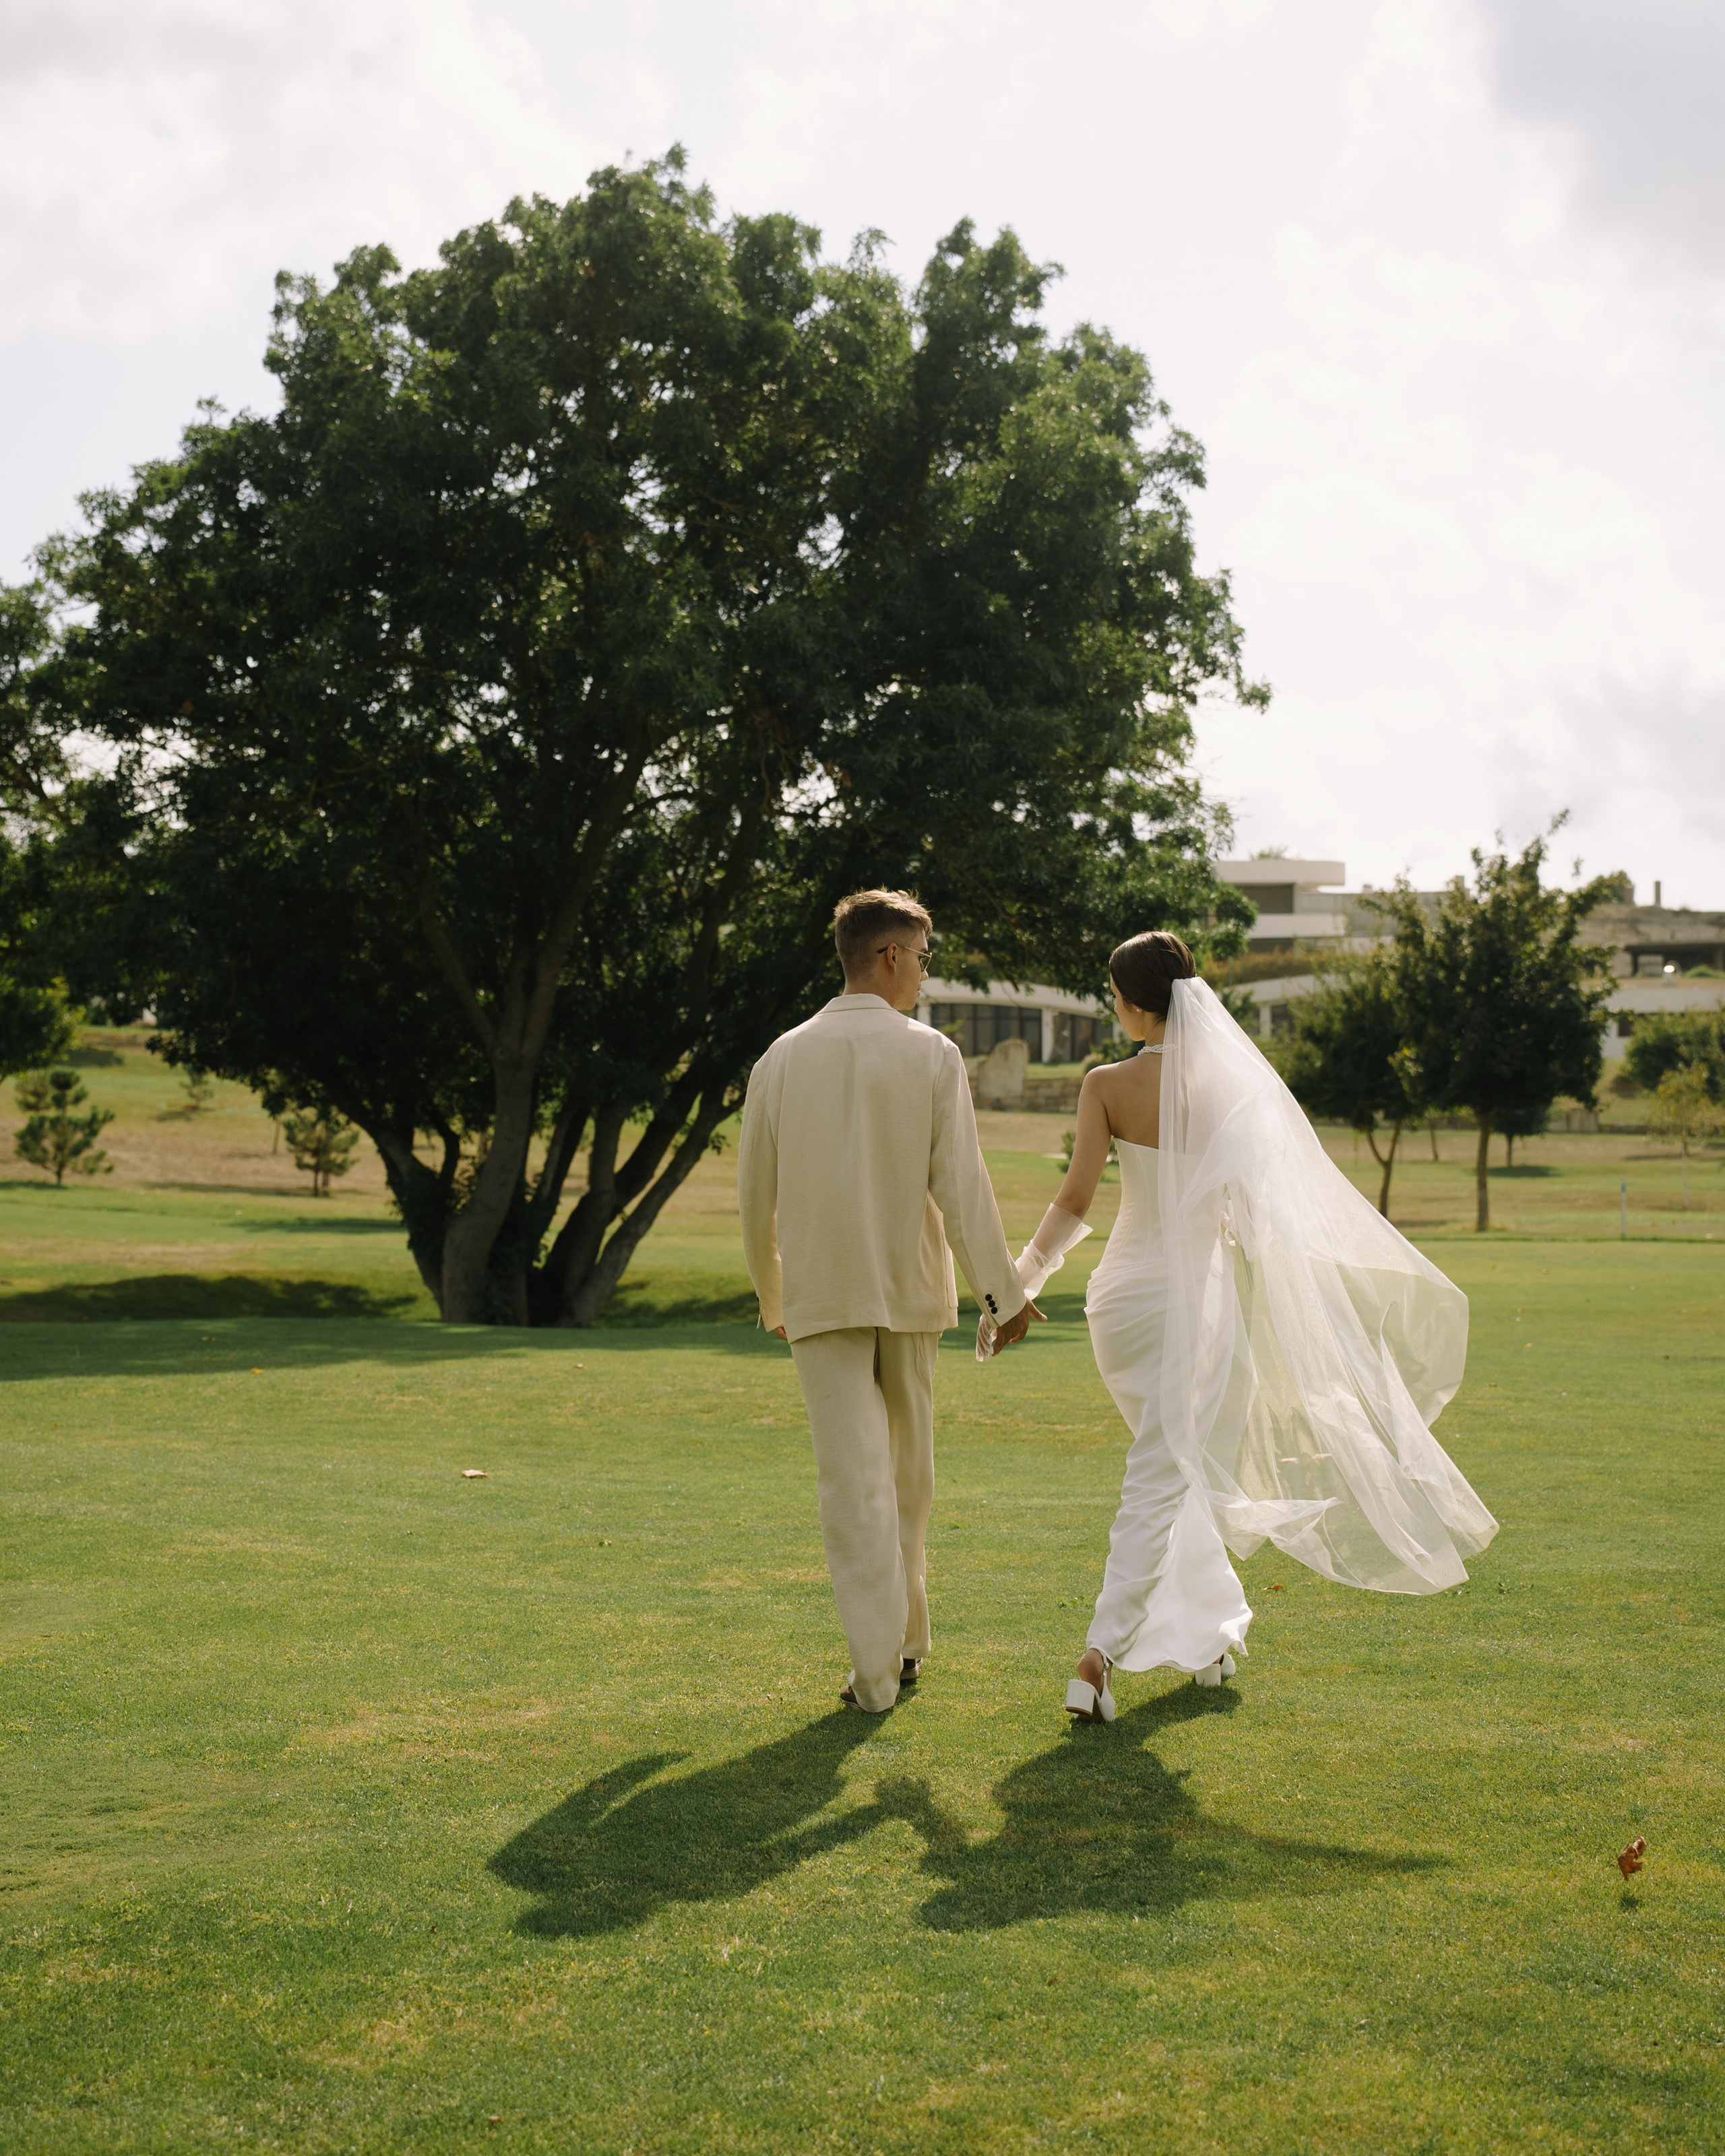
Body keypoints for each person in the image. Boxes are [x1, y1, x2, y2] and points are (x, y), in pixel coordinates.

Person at [1008, 930, 1498, 1725]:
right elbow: (1251, 1207)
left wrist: (1020, 1279)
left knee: (1178, 1466)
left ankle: (1206, 1638)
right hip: (1193, 1300)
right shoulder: (1235, 1087)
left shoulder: (1104, 1082)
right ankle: (1097, 1655)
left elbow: (1073, 1200)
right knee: (1165, 1468)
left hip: (1123, 1301)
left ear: (1134, 1002)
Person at [737, 889, 1037, 1715]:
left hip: (822, 1295)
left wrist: (774, 1294)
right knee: (891, 1482)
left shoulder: (780, 1056)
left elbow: (751, 1195)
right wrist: (1000, 1295)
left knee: (870, 1484)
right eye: (923, 957)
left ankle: (895, 1652)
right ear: (889, 956)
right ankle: (885, 1664)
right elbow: (963, 1188)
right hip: (905, 1293)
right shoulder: (930, 1053)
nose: (926, 975)